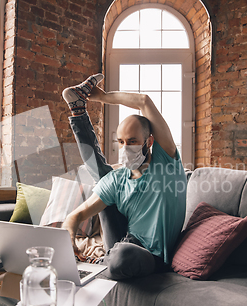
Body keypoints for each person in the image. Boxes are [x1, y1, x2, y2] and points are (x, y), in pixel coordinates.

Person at [61, 73, 187, 280]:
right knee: (104, 179)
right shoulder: (118, 179)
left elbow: (144, 101)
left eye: (132, 141)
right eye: (120, 142)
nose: (125, 148)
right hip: (121, 242)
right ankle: (77, 110)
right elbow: (74, 216)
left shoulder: (166, 166)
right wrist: (69, 240)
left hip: (149, 257)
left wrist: (102, 97)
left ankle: (101, 263)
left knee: (124, 255)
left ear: (149, 141)